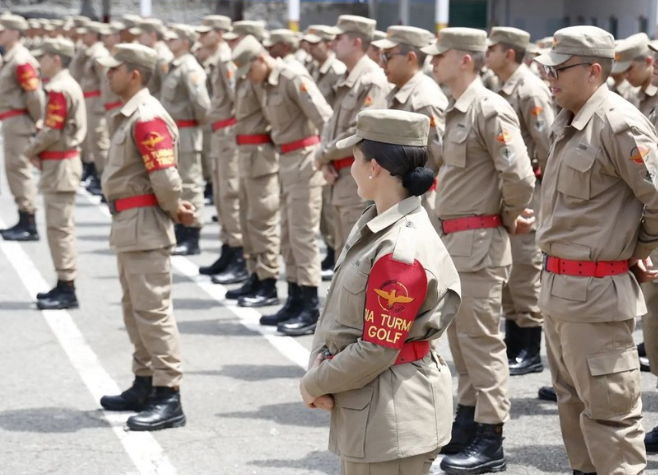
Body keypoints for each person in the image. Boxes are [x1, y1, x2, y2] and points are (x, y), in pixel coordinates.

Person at [300, 109, 461, 475]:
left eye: (354, 160)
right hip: (376, 407)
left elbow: (378, 347)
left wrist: (314, 382)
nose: (350, 168)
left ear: (374, 167)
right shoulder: (378, 221)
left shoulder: (399, 250)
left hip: (390, 415)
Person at [534, 26, 658, 474]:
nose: (549, 76)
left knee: (610, 417)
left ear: (593, 70)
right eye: (547, 68)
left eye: (558, 68)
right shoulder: (567, 120)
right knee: (571, 406)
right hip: (558, 289)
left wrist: (633, 247)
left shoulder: (618, 123)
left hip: (597, 294)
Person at [423, 28, 535, 474]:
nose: (433, 62)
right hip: (455, 239)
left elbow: (521, 177)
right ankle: (468, 421)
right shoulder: (457, 109)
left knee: (483, 344)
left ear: (464, 60)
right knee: (462, 341)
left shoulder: (489, 107)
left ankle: (491, 438)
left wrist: (506, 218)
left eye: (440, 55)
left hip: (480, 239)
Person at [97, 43, 194, 431]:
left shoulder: (147, 116)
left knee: (152, 312)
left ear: (134, 73)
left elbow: (165, 177)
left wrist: (175, 208)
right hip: (129, 223)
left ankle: (169, 395)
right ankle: (144, 382)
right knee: (134, 310)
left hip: (144, 223)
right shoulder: (131, 114)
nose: (108, 75)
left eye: (114, 69)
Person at [233, 35, 333, 334]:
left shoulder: (292, 76)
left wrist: (326, 158)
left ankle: (311, 307)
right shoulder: (264, 83)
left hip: (305, 159)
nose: (248, 78)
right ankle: (295, 298)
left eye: (249, 71)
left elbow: (324, 117)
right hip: (286, 160)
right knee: (288, 235)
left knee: (302, 236)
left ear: (260, 59)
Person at [486, 26, 555, 376]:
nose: (487, 51)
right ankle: (515, 344)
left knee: (526, 270)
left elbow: (548, 145)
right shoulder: (505, 86)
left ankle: (529, 350)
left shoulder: (529, 89)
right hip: (511, 190)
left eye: (493, 47)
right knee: (512, 272)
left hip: (532, 191)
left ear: (509, 53)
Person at [315, 15, 390, 256]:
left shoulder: (371, 79)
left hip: (357, 175)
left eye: (338, 38)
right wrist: (326, 159)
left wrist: (324, 154)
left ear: (356, 42)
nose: (332, 43)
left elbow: (361, 131)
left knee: (354, 256)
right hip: (341, 175)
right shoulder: (346, 77)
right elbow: (331, 124)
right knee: (341, 252)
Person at [222, 23, 282, 308]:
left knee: (262, 220)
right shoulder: (249, 77)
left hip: (260, 155)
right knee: (247, 218)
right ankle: (255, 274)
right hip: (245, 153)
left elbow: (273, 116)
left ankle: (268, 281)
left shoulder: (263, 81)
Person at [24, 38, 86, 310]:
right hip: (60, 164)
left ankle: (66, 286)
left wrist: (29, 151)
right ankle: (64, 282)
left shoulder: (59, 89)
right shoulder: (65, 85)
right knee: (59, 228)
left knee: (59, 229)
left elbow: (52, 131)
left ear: (57, 59)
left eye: (45, 57)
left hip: (60, 166)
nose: (39, 63)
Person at [373, 25, 446, 232]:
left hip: (420, 202)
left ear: (411, 57)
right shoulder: (399, 93)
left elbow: (442, 157)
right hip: (401, 201)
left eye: (387, 56)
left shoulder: (424, 100)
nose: (381, 63)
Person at [197, 16, 247, 283]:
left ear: (218, 34)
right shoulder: (216, 59)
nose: (201, 37)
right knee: (221, 194)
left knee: (230, 193)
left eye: (206, 33)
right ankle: (228, 248)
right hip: (219, 134)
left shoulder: (226, 60)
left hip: (228, 134)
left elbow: (236, 100)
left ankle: (238, 254)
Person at [160, 24, 211, 255]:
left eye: (174, 38)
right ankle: (181, 227)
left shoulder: (189, 67)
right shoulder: (175, 66)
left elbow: (201, 103)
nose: (169, 41)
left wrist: (198, 125)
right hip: (175, 131)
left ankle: (192, 234)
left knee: (190, 183)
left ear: (186, 42)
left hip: (187, 132)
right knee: (177, 182)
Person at [302, 24, 347, 281]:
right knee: (323, 207)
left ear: (328, 43)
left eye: (315, 42)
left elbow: (330, 114)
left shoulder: (336, 71)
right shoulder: (314, 69)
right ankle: (330, 251)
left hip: (334, 144)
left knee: (331, 208)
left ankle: (333, 252)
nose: (309, 47)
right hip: (324, 143)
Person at [0, 14, 45, 242]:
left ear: (15, 32)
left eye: (3, 30)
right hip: (11, 120)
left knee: (19, 170)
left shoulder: (20, 60)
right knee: (13, 170)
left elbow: (33, 94)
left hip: (19, 121)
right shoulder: (10, 58)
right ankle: (23, 218)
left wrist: (37, 120)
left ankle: (29, 222)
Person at [77, 21, 110, 197]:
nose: (83, 36)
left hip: (96, 103)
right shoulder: (90, 52)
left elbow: (106, 82)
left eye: (87, 33)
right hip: (89, 101)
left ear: (94, 35)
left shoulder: (99, 54)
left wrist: (103, 104)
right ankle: (99, 175)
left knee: (100, 142)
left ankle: (105, 180)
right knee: (92, 141)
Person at [612, 33, 657, 116]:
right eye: (623, 71)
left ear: (648, 61)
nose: (625, 76)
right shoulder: (632, 95)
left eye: (629, 69)